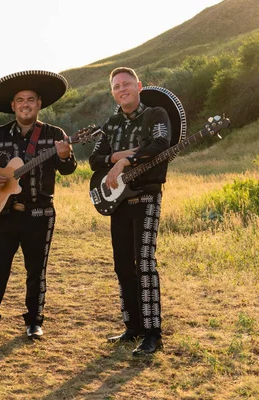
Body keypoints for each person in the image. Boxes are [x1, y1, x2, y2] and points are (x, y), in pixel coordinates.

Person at [0, 70, 77, 341]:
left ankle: (34, 322)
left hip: (40, 213)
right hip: (3, 213)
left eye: (30, 99)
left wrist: (64, 155)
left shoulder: (55, 134)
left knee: (36, 270)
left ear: (39, 103)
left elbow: (69, 169)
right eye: (20, 100)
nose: (25, 104)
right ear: (13, 105)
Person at [89, 67, 186, 355]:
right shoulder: (111, 123)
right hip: (119, 201)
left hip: (146, 196)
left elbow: (160, 144)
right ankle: (132, 328)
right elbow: (95, 159)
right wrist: (117, 157)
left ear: (139, 86)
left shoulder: (156, 115)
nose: (122, 89)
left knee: (144, 263)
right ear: (113, 93)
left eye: (127, 84)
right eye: (117, 86)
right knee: (122, 265)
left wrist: (123, 163)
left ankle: (153, 334)